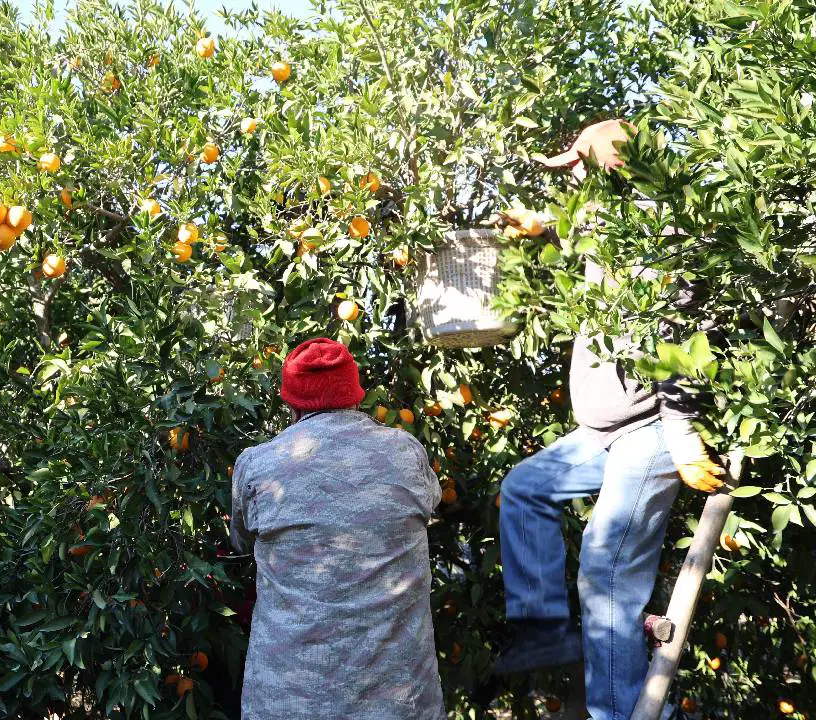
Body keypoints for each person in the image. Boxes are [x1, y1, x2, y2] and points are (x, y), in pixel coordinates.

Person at [491, 119, 726, 719]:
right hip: (603, 431)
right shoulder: (608, 222)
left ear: (611, 169)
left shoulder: (662, 239)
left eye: (576, 163)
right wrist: (543, 229)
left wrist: (682, 437)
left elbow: (677, 344)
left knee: (606, 571)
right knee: (524, 490)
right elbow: (582, 243)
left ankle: (618, 713)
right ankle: (545, 631)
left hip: (651, 427)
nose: (569, 173)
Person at [230, 337, 445, 719]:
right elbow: (430, 506)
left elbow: (240, 541)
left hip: (290, 700)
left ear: (291, 402)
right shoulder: (405, 452)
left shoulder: (259, 466)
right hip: (399, 701)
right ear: (355, 394)